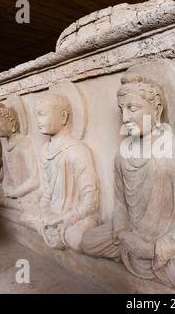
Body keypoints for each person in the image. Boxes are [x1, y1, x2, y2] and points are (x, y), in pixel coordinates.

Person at [81, 73, 175, 293]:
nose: (125, 118)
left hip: (167, 245)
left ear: (156, 109)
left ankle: (153, 259)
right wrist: (122, 231)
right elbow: (120, 204)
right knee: (87, 241)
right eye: (121, 110)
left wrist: (155, 248)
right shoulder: (122, 155)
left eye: (133, 108)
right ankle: (132, 254)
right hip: (131, 238)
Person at [35, 93, 100, 252]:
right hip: (53, 213)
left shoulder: (78, 150)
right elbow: (47, 191)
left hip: (75, 216)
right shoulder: (45, 151)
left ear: (63, 116)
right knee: (27, 217)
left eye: (42, 114)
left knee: (76, 239)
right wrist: (45, 213)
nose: (38, 120)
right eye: (36, 115)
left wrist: (64, 218)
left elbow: (91, 200)